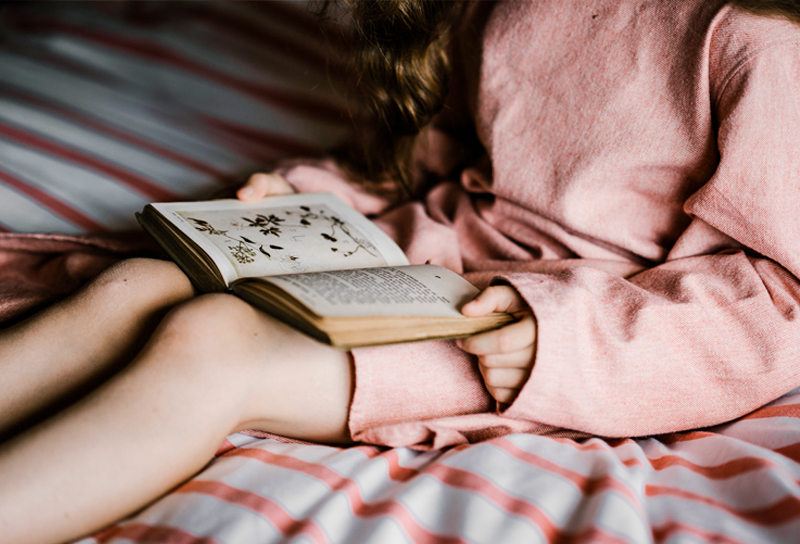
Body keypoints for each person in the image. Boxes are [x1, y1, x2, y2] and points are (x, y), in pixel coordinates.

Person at [2, 0, 800, 542]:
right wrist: (313, 197)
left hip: (538, 331)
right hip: (416, 259)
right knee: (137, 285)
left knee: (210, 341)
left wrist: (561, 341)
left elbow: (780, 297)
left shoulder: (755, 43)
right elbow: (446, 160)